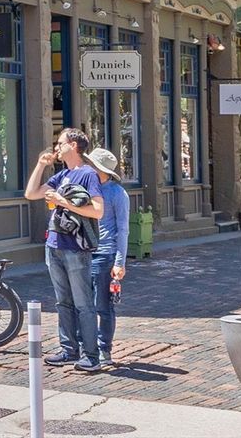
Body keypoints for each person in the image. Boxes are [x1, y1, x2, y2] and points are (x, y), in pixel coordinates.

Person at [24, 128, 108, 373]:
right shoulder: (62, 175)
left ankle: (91, 356)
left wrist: (64, 203)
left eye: (60, 143)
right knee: (63, 302)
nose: (56, 147)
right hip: (54, 245)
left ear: (73, 145)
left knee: (83, 303)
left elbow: (98, 211)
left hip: (76, 247)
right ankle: (68, 349)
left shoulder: (88, 174)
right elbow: (30, 194)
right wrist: (40, 166)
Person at [85, 149, 131, 369]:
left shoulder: (117, 193)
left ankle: (105, 349)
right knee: (83, 304)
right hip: (84, 252)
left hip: (105, 253)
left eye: (92, 166)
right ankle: (85, 347)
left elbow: (123, 229)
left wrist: (119, 261)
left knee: (102, 306)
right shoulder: (86, 189)